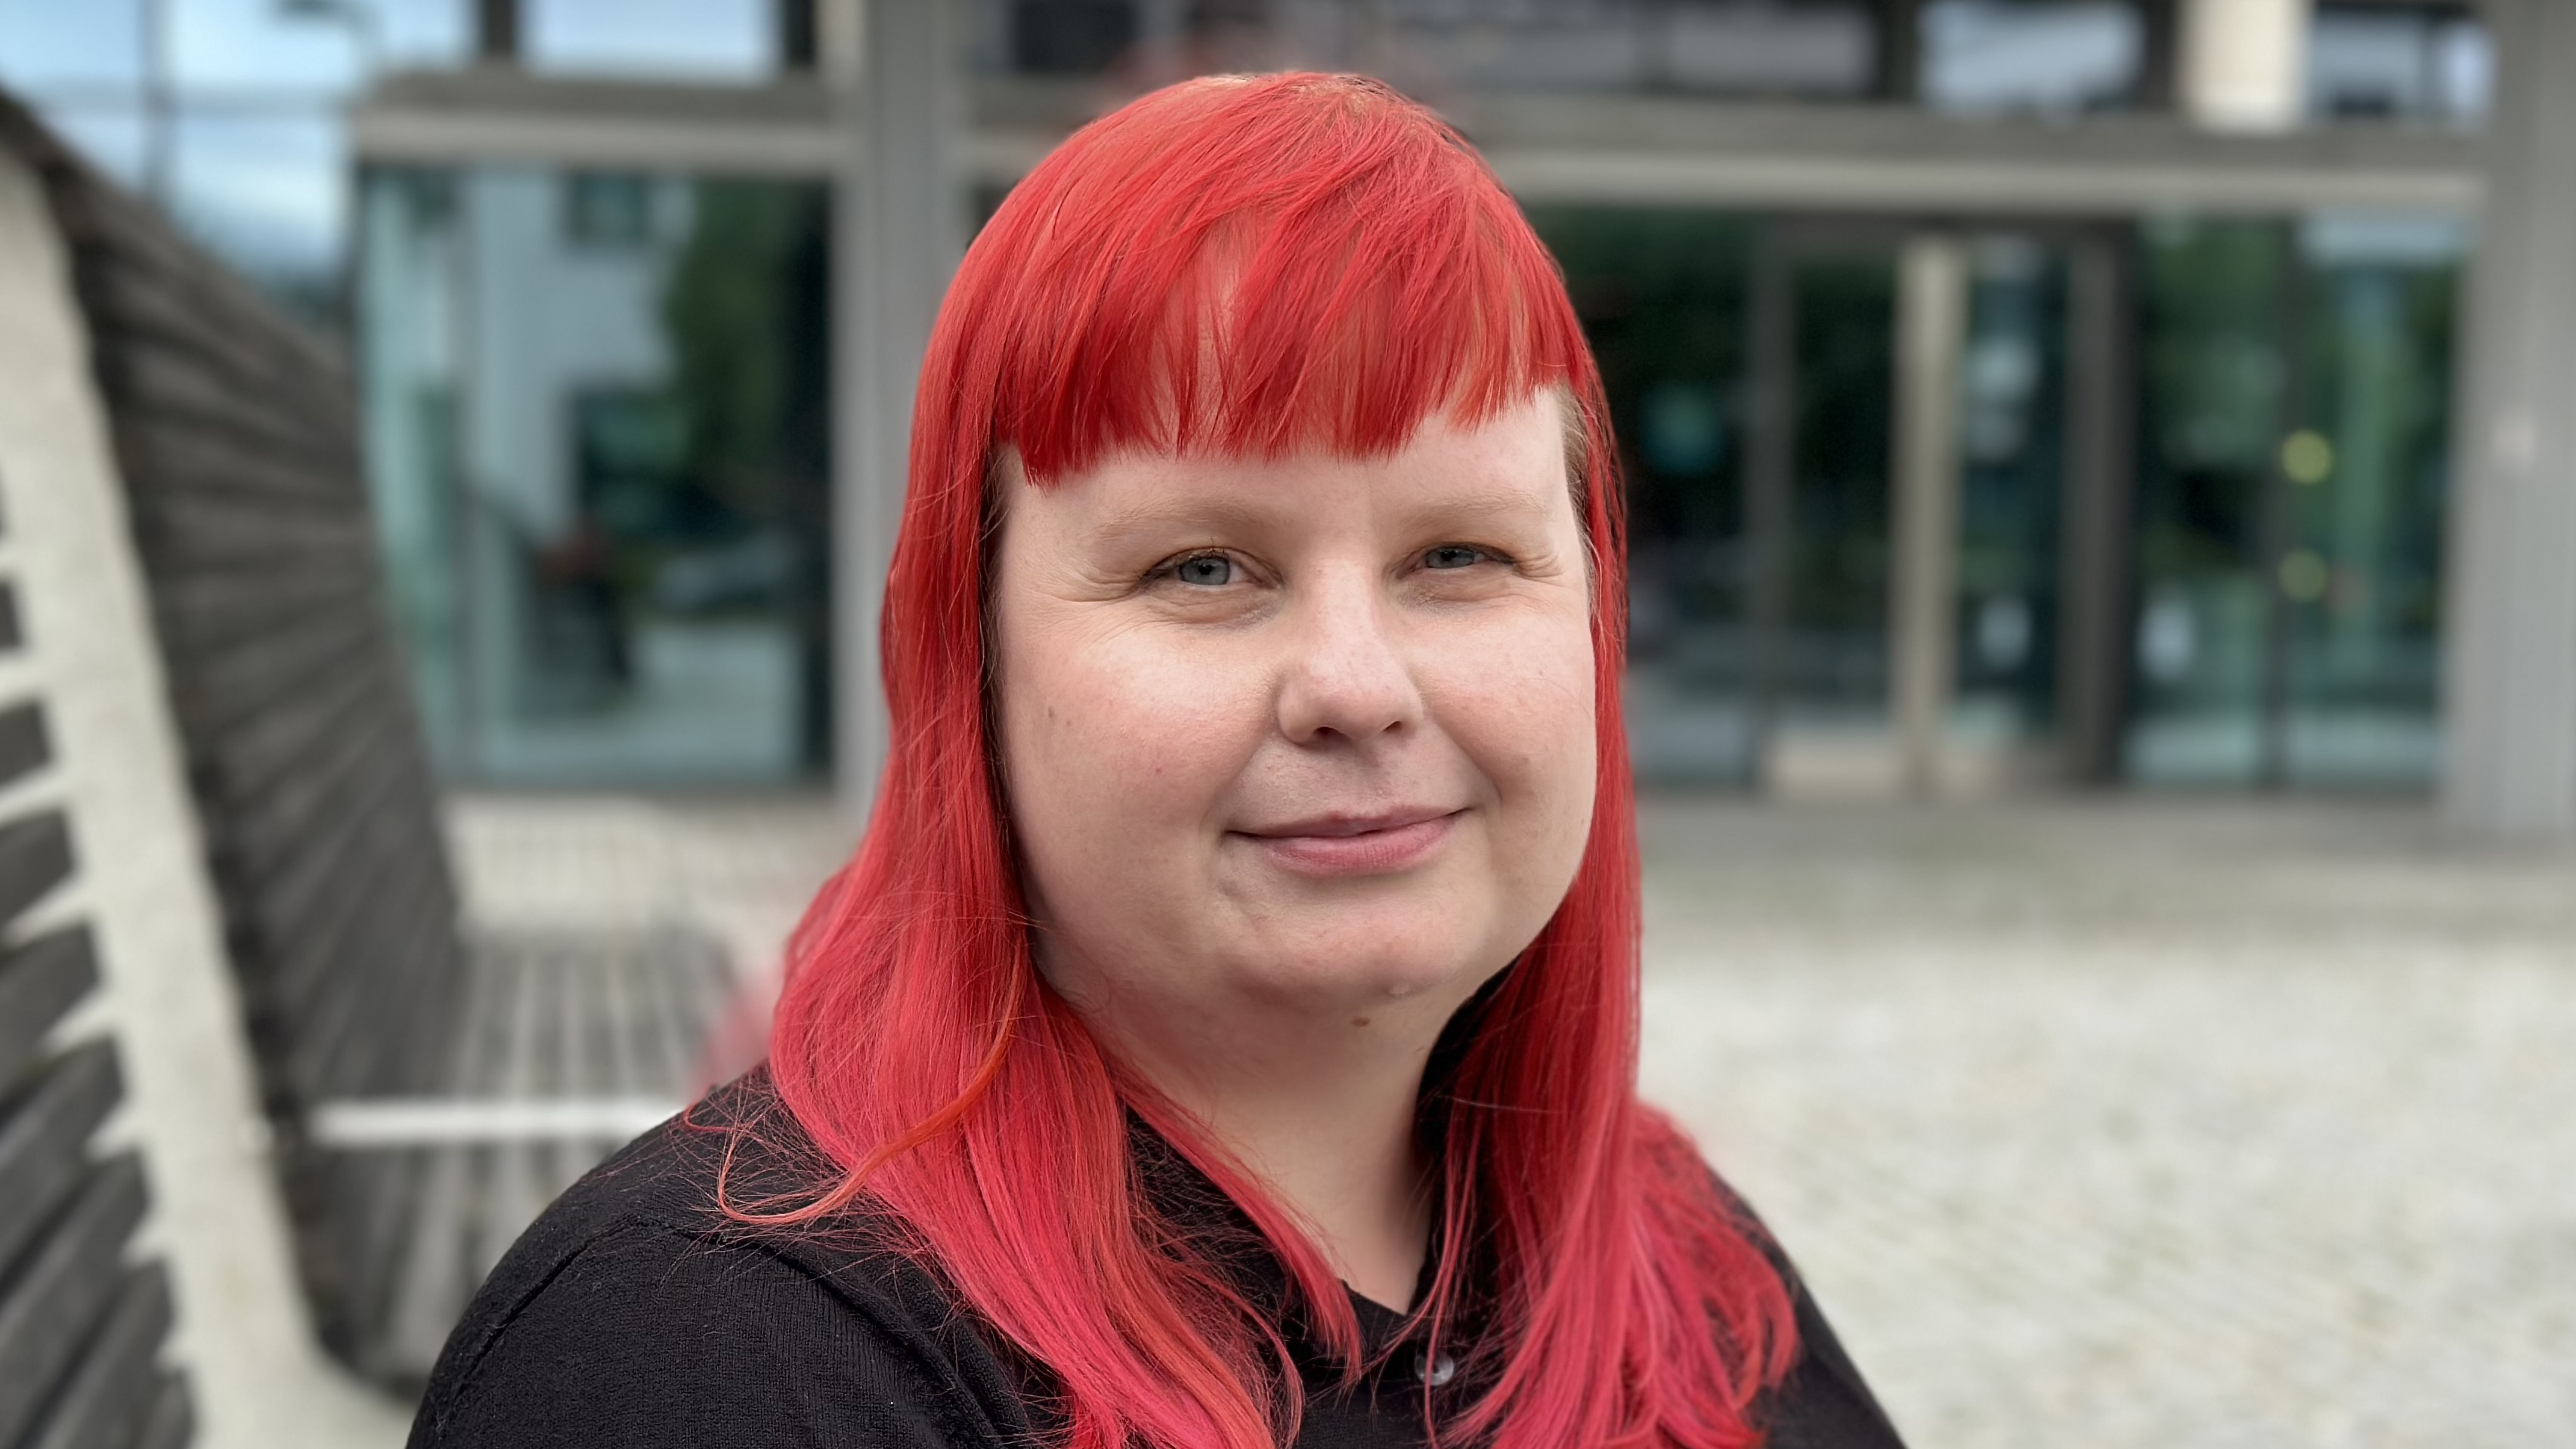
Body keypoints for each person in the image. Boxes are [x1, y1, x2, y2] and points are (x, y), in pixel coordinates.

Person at [408, 73, 1907, 1449]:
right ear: (967, 659)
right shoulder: (701, 1359)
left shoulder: (1685, 1266)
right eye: (1203, 566)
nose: (1354, 686)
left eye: (1460, 552)